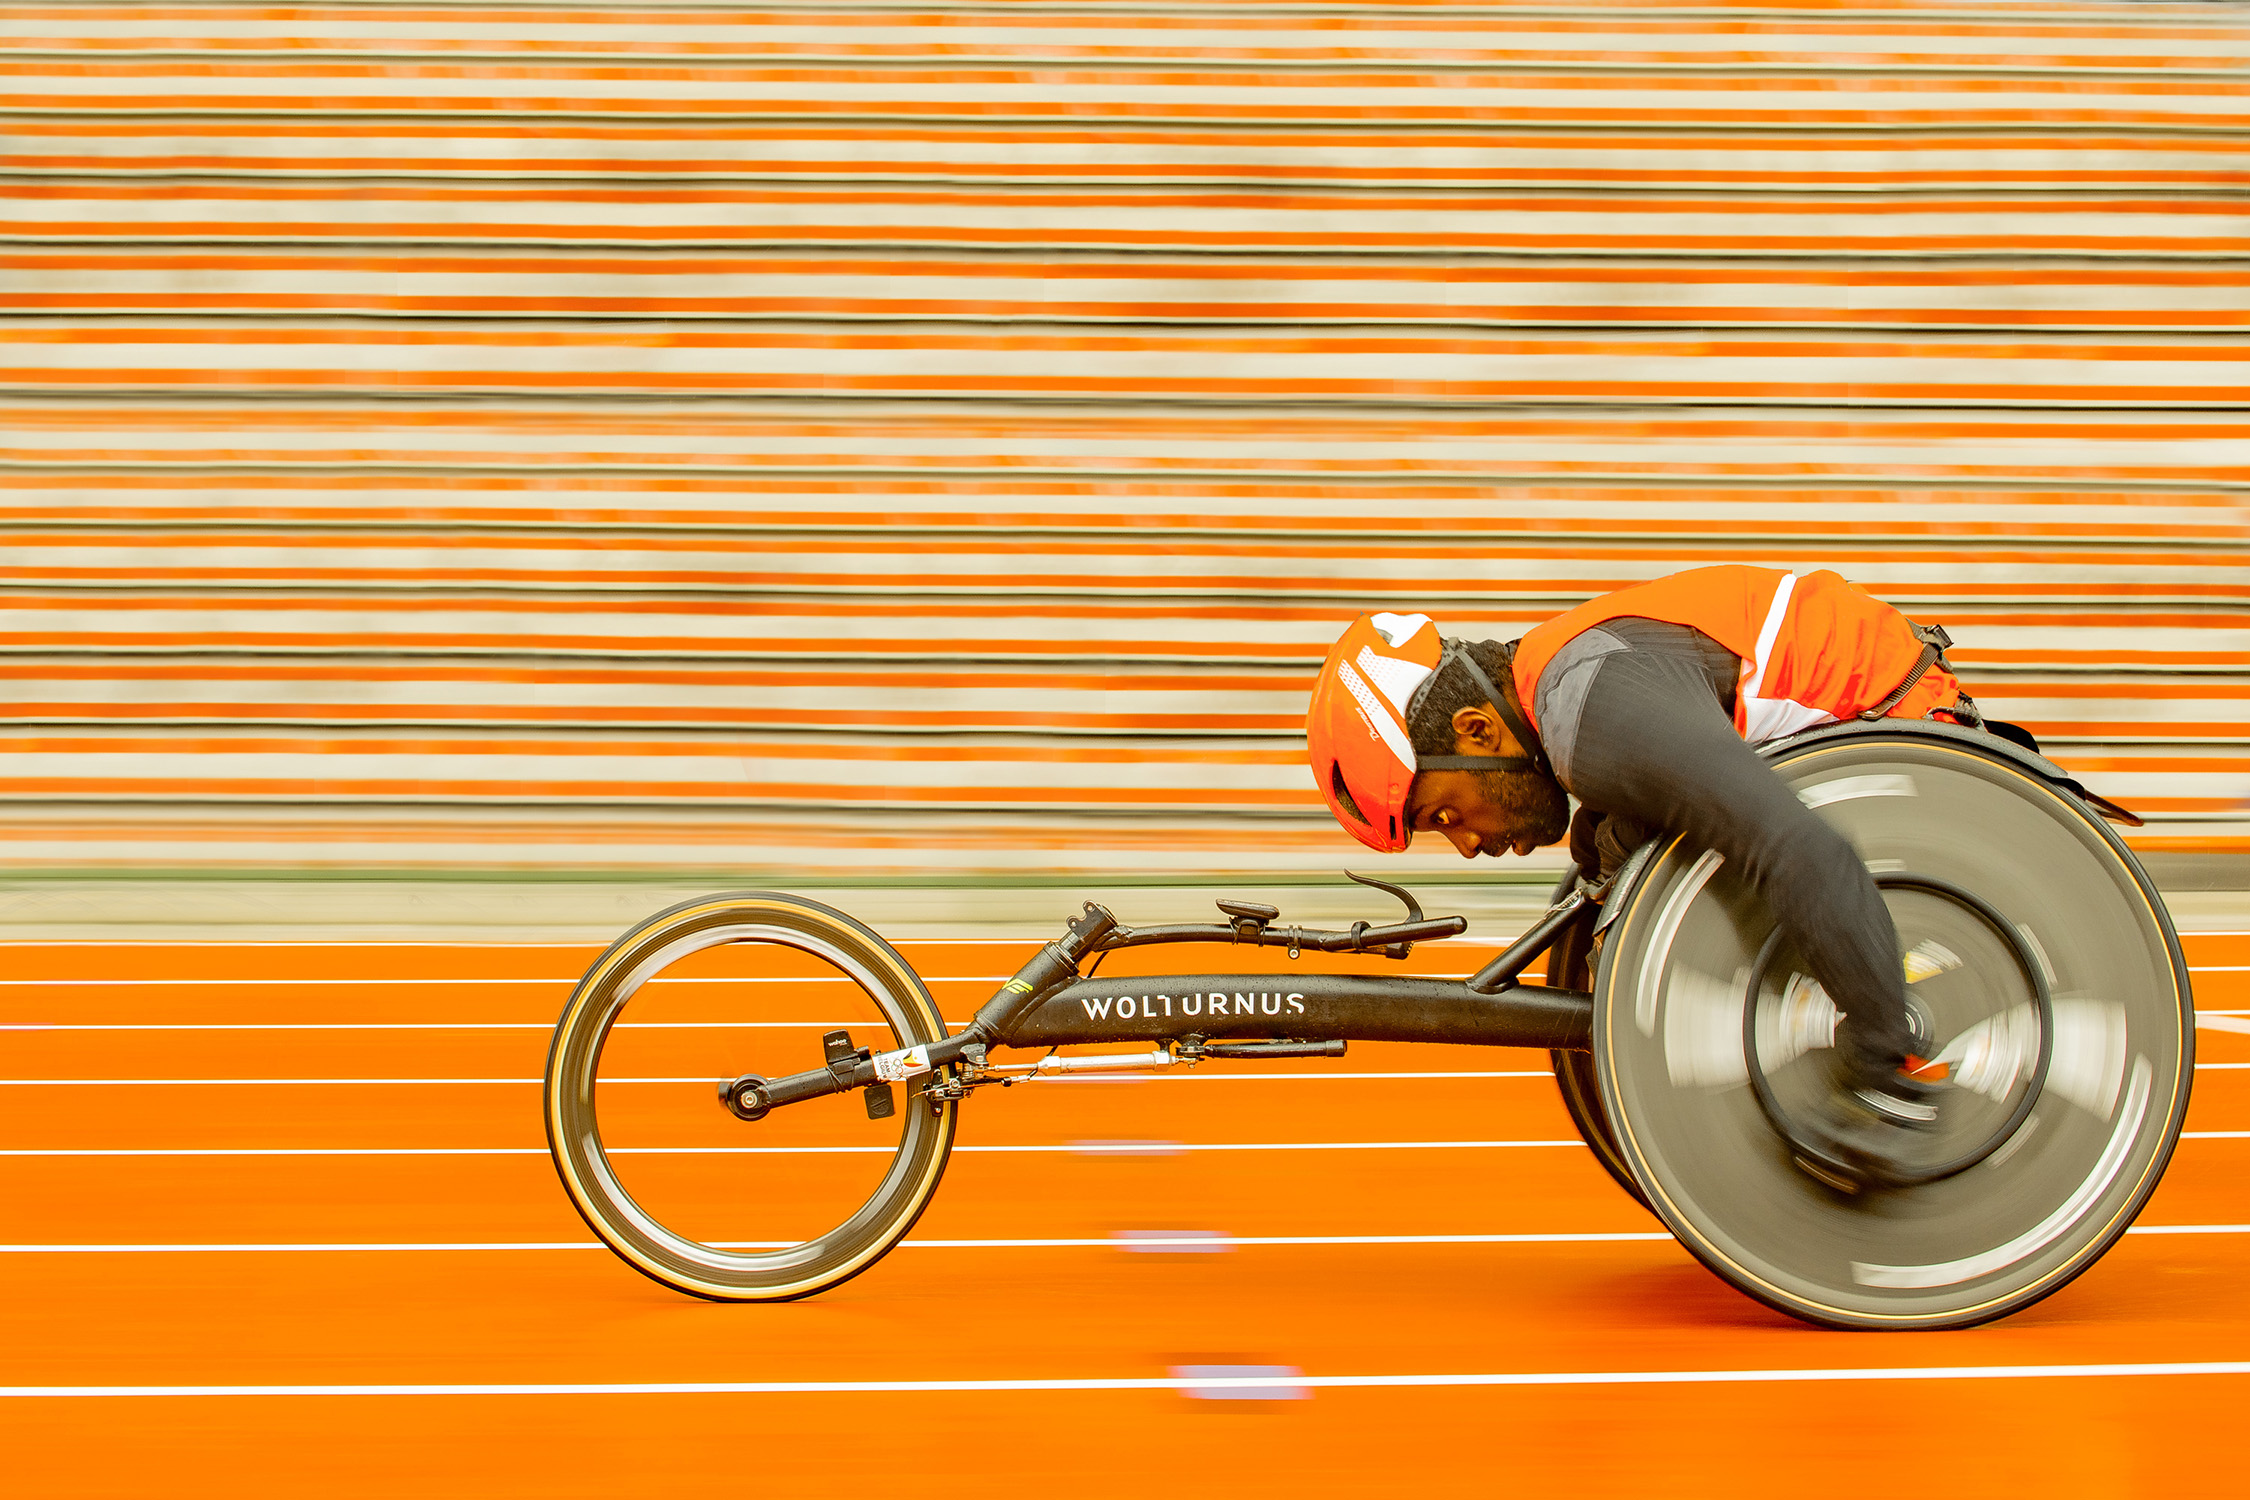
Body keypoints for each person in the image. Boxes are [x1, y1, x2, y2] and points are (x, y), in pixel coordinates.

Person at [1304, 564, 1987, 1186]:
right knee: (1605, 850)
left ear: (1477, 730)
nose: (1465, 846)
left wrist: (1877, 1069)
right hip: (1844, 727)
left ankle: (1898, 1075)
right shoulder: (1560, 685)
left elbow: (1807, 853)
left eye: (1445, 813)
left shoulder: (1593, 716)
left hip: (1908, 724)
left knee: (1682, 846)